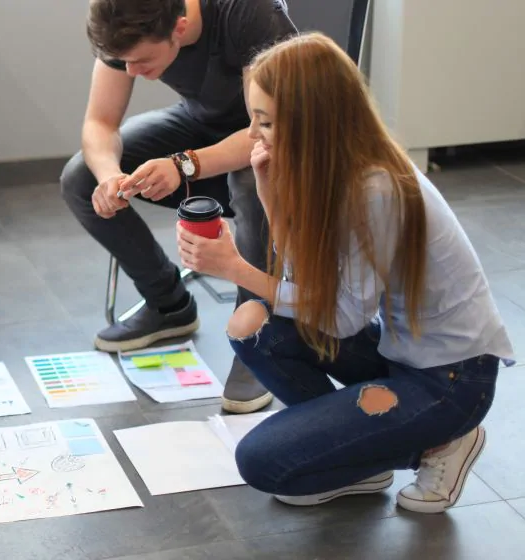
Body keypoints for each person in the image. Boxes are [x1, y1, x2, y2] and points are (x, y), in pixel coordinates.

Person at [176, 32, 515, 512]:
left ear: (313, 121)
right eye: (253, 118)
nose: (254, 135)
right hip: (400, 351)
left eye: (265, 121)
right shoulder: (342, 169)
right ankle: (364, 455)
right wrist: (272, 200)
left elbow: (338, 320)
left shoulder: (373, 191)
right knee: (252, 326)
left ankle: (442, 442)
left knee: (262, 462)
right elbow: (310, 284)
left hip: (452, 381)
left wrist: (236, 268)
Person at [61, 0, 297, 414]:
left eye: (142, 61)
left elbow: (269, 131)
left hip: (280, 146)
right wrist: (108, 176)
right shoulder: (124, 21)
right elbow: (100, 123)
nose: (131, 72)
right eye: (122, 62)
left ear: (181, 28)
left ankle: (258, 333)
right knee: (79, 177)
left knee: (253, 174)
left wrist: (184, 164)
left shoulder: (247, 13)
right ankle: (169, 306)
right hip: (202, 130)